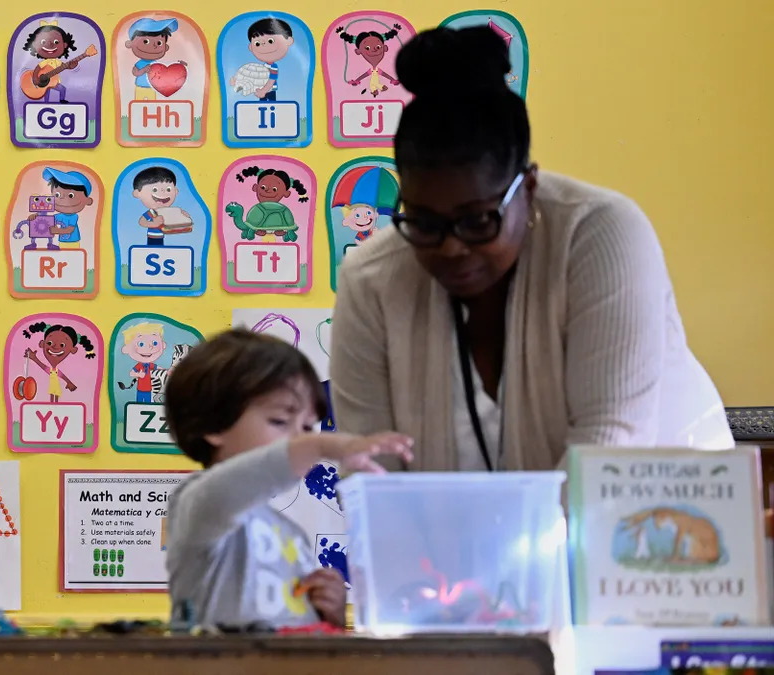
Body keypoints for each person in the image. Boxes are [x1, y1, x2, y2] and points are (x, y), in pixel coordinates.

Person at [330, 26, 732, 473]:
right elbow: (368, 472)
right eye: (424, 223)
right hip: (479, 533)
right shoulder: (370, 278)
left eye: (479, 220)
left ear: (528, 187)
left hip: (652, 509)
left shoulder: (602, 235)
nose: (451, 247)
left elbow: (606, 449)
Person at [162, 329, 413, 628]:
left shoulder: (290, 534)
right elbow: (234, 483)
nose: (299, 438)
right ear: (213, 426)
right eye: (280, 421)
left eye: (308, 427)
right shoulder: (196, 504)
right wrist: (324, 444)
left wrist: (327, 613)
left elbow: (297, 626)